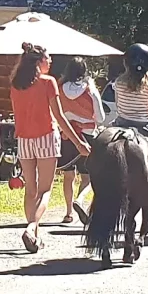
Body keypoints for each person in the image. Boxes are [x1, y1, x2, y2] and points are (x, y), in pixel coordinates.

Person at [7, 42, 93, 253]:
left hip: (24, 140)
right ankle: (31, 227)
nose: (51, 61)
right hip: (45, 137)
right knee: (45, 190)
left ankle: (34, 235)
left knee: (31, 189)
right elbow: (59, 116)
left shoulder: (16, 84)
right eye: (48, 58)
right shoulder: (48, 82)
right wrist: (79, 143)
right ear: (39, 62)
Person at [55, 57, 103, 224]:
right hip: (88, 135)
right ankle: (81, 203)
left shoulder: (59, 88)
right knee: (87, 176)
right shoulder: (89, 89)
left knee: (68, 175)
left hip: (67, 134)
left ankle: (68, 212)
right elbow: (101, 117)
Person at [109, 43, 148, 141]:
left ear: (126, 63)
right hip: (143, 124)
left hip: (121, 122)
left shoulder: (119, 82)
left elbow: (118, 104)